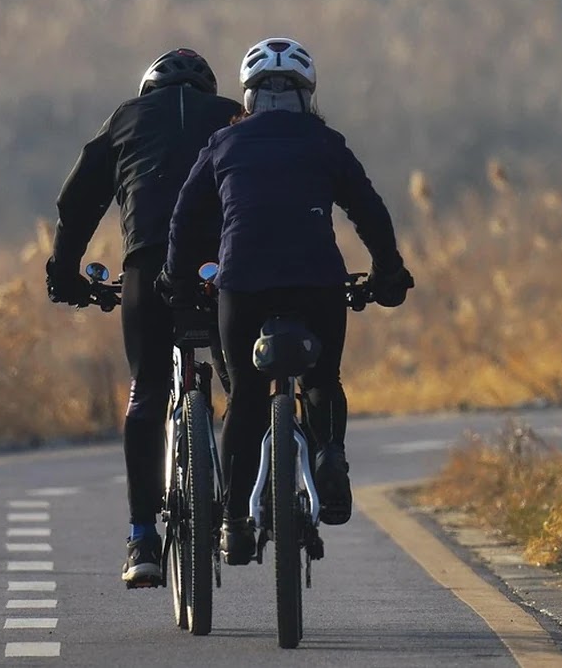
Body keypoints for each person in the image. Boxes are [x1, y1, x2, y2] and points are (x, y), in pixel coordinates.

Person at [158, 38, 414, 565]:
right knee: (322, 380)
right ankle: (330, 456)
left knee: (247, 399)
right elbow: (370, 212)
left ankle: (232, 523)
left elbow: (184, 217)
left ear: (247, 98)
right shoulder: (327, 144)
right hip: (317, 284)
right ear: (307, 96)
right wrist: (389, 273)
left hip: (243, 285)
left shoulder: (222, 146)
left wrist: (175, 278)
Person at [45, 48, 241, 586]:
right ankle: (241, 518)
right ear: (209, 90)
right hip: (225, 266)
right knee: (241, 387)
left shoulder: (125, 119)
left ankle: (141, 540)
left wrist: (64, 274)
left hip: (149, 263)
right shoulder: (233, 114)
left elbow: (78, 202)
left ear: (147, 89)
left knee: (148, 390)